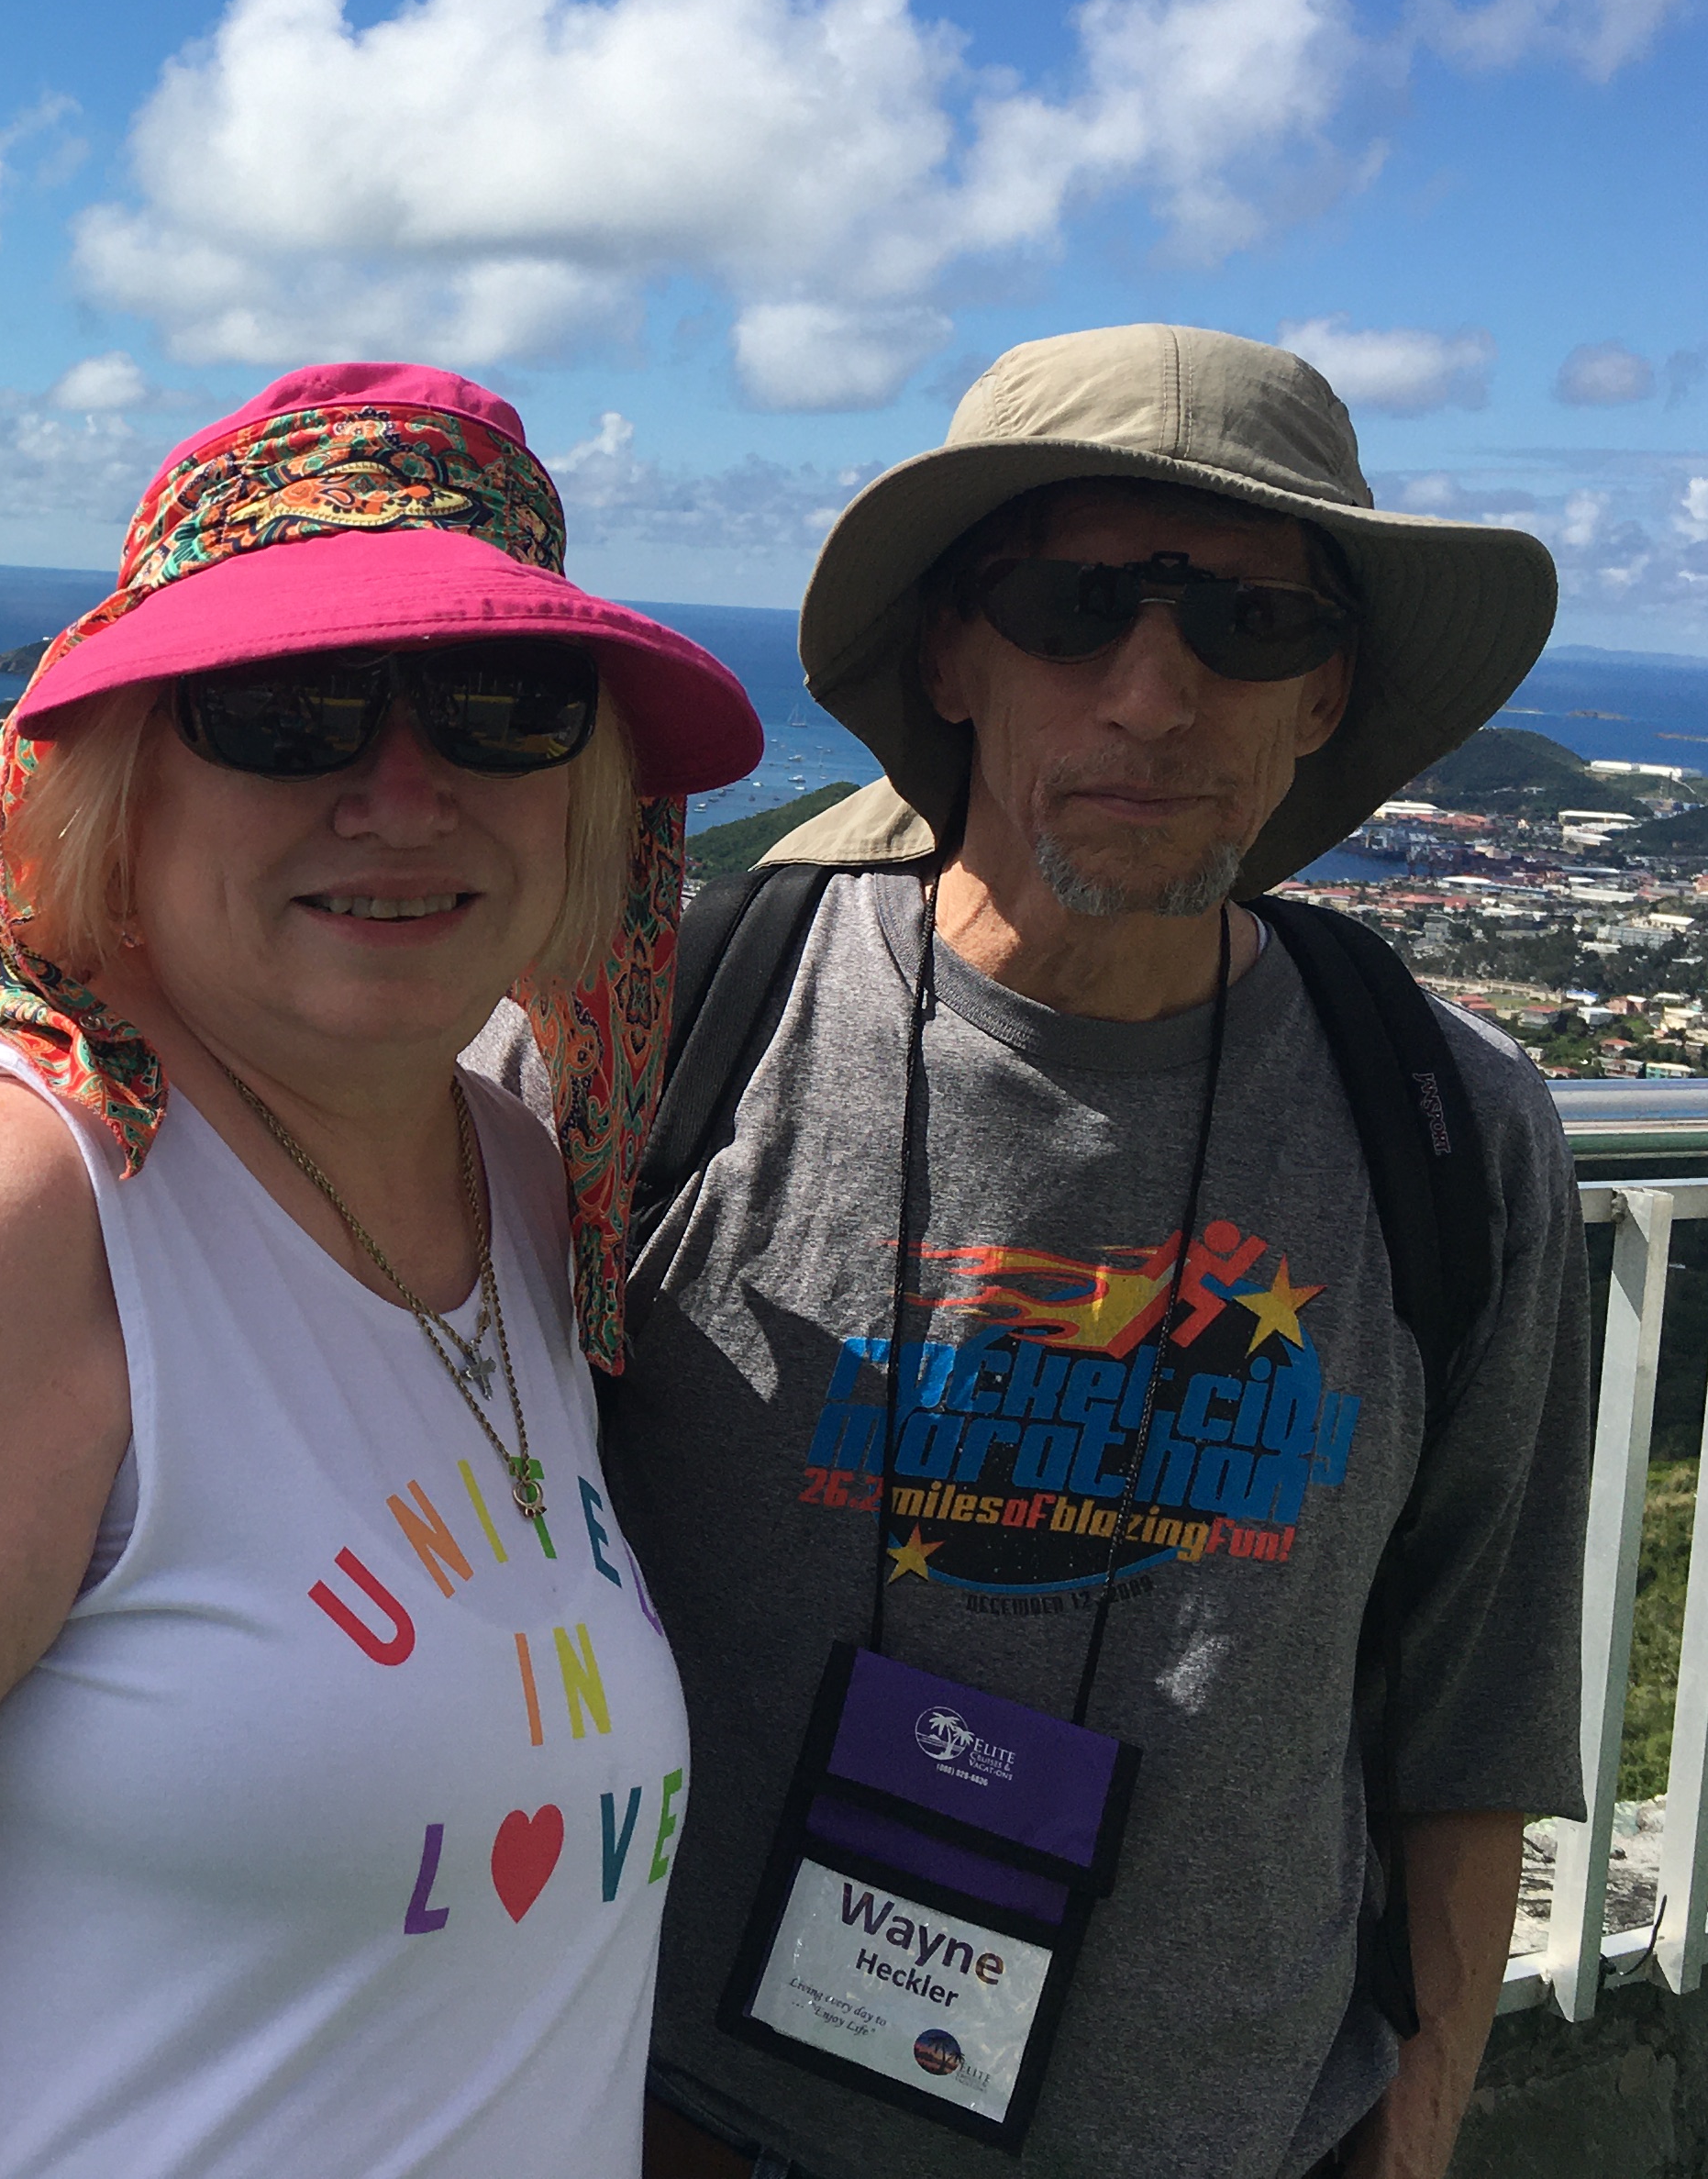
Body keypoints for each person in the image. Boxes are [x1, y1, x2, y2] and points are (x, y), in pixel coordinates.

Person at [0, 361, 765, 2179]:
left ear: (587, 786)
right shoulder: (20, 1199)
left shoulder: (521, 1189)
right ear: (126, 787)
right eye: (292, 708)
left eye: (503, 704)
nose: (404, 791)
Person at [601, 323, 1589, 2179]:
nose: (1154, 693)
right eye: (1072, 606)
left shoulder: (1451, 1133)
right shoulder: (674, 1040)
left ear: (1323, 698)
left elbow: (1479, 1702)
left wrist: (1425, 2126)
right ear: (956, 656)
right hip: (692, 2122)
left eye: (1249, 625)